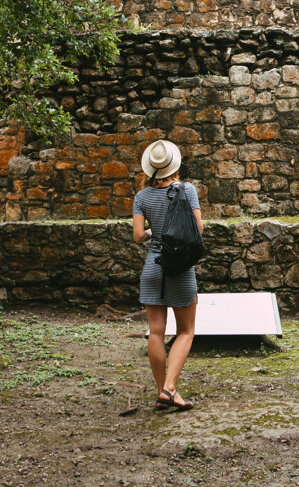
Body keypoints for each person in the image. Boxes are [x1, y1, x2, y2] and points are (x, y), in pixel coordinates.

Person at [132, 139, 202, 412]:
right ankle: (169, 388)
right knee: (186, 331)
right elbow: (198, 230)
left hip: (152, 268)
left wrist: (154, 232)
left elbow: (139, 236)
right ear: (175, 163)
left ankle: (165, 392)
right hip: (179, 269)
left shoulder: (142, 197)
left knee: (156, 333)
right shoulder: (187, 190)